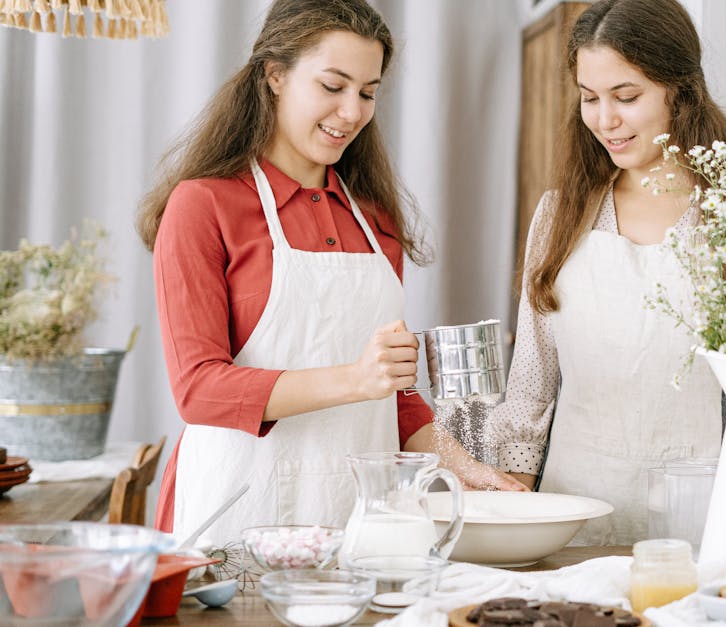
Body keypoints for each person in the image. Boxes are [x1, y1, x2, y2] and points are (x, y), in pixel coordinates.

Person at [136, 0, 523, 548]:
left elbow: (392, 394)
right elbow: (199, 390)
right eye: (333, 86)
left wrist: (462, 465)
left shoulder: (374, 218)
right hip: (237, 509)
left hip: (357, 515)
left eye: (367, 92)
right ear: (275, 75)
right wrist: (355, 379)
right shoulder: (203, 205)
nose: (351, 112)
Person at [488, 0, 726, 546]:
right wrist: (512, 527)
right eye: (590, 97)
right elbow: (530, 387)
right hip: (574, 526)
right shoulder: (560, 215)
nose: (604, 120)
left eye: (626, 97)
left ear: (678, 90)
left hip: (713, 524)